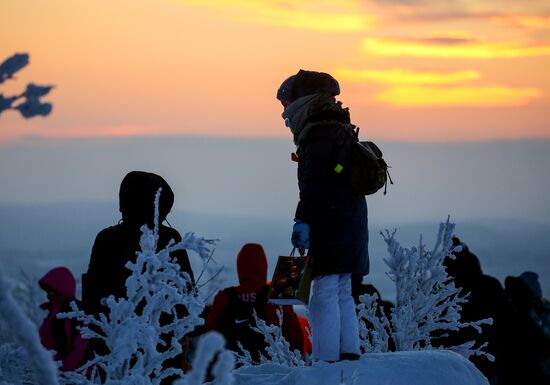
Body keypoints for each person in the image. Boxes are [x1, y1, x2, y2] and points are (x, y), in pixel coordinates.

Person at [276, 69, 369, 362]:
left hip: (331, 221)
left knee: (324, 291)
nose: (284, 113)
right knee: (341, 289)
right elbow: (334, 176)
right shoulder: (339, 128)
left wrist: (302, 220)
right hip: (350, 220)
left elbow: (316, 183)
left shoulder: (318, 134)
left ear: (301, 101)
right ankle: (348, 351)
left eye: (286, 104)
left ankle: (326, 360)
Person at [82, 171, 195, 374]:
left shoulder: (106, 239)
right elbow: (187, 294)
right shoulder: (169, 238)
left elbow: (91, 299)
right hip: (163, 346)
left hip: (114, 346)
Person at [204, 243, 304, 362]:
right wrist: (296, 359)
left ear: (240, 266)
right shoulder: (276, 295)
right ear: (264, 266)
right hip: (272, 366)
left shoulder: (224, 296)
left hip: (231, 366)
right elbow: (294, 332)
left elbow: (209, 332)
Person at [437, 237, 514, 384]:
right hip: (490, 362)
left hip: (452, 367)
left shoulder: (441, 294)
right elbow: (508, 324)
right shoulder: (490, 285)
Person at [39, 266, 89, 371]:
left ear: (60, 288)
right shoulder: (54, 309)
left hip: (65, 376)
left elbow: (80, 346)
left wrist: (66, 375)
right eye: (47, 290)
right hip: (51, 371)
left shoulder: (72, 312)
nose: (48, 294)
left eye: (51, 290)